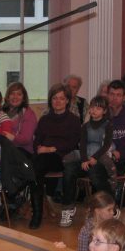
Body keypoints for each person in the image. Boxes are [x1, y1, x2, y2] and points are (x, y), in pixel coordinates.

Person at [33, 83, 81, 228]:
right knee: (35, 167)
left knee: (37, 166)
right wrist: (39, 149)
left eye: (61, 98)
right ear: (50, 100)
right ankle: (37, 213)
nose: (58, 101)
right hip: (45, 157)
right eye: (55, 98)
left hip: (63, 157)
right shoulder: (44, 119)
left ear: (67, 101)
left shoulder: (73, 120)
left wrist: (51, 149)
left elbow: (73, 143)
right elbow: (36, 141)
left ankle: (39, 213)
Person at [62, 96, 116, 217]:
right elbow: (82, 144)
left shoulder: (108, 125)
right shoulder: (85, 126)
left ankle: (111, 207)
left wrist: (95, 158)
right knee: (69, 169)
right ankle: (68, 208)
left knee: (94, 174)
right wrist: (85, 159)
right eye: (92, 107)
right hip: (86, 157)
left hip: (101, 157)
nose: (94, 110)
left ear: (104, 111)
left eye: (98, 108)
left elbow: (106, 144)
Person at [2, 82, 38, 158]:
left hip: (23, 151)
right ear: (8, 96)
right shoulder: (1, 112)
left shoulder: (29, 114)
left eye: (19, 94)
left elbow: (26, 139)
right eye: (12, 94)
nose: (15, 97)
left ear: (24, 98)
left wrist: (12, 137)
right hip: (2, 148)